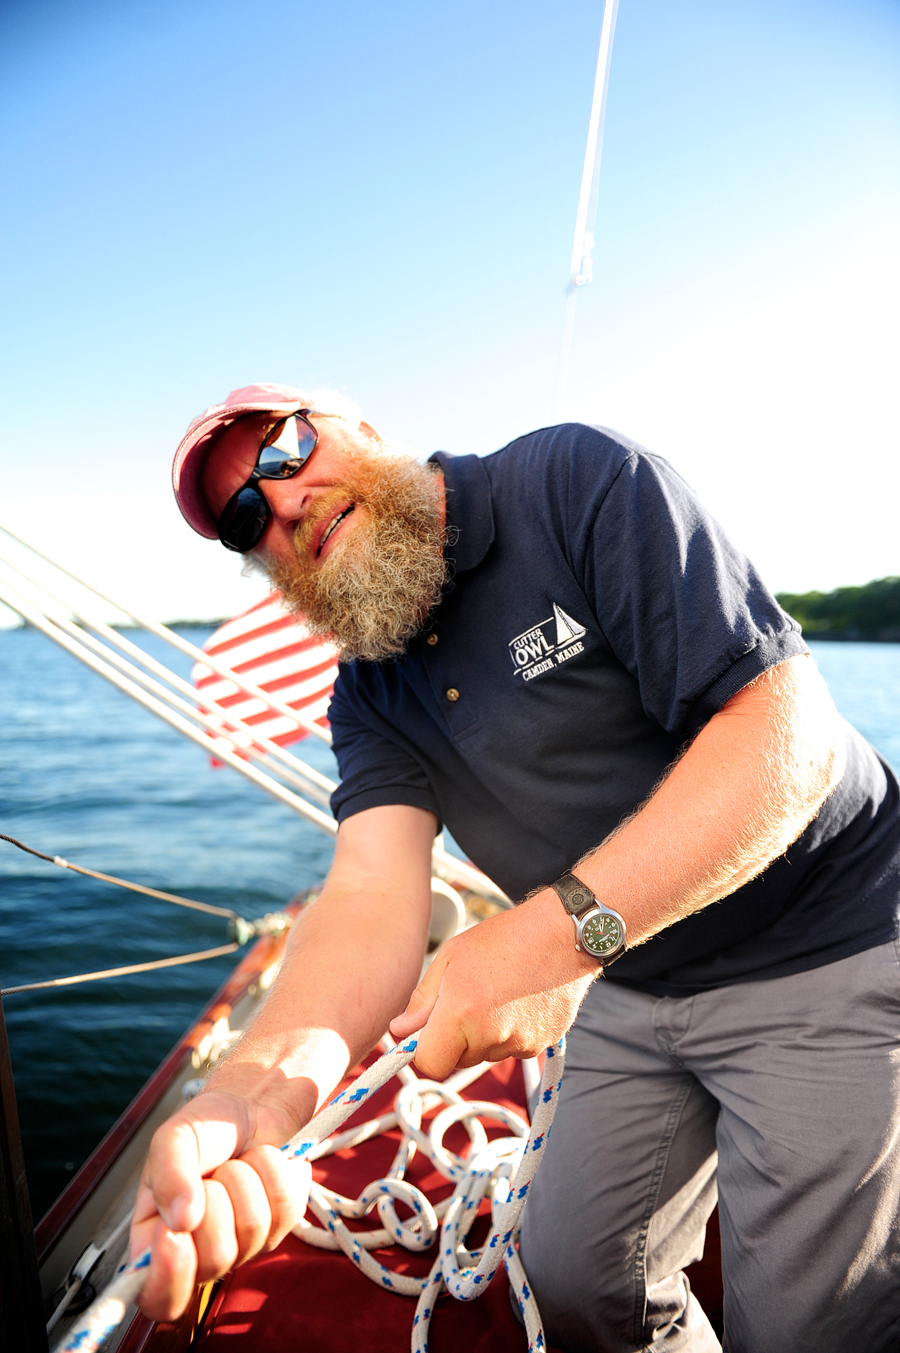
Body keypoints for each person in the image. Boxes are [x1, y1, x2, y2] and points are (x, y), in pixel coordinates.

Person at [134, 382, 900, 1352]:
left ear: (361, 428)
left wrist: (554, 938)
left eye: (286, 447)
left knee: (809, 1329)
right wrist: (254, 1096)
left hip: (823, 942)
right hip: (627, 976)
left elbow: (785, 739)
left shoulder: (574, 481)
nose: (283, 499)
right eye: (248, 515)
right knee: (576, 1281)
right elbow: (372, 895)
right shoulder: (370, 693)